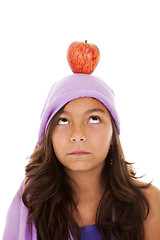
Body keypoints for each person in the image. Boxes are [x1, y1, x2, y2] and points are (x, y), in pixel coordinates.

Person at [3, 74, 160, 240]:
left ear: (113, 135)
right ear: (48, 135)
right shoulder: (29, 205)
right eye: (63, 120)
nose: (78, 135)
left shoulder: (148, 204)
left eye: (94, 119)